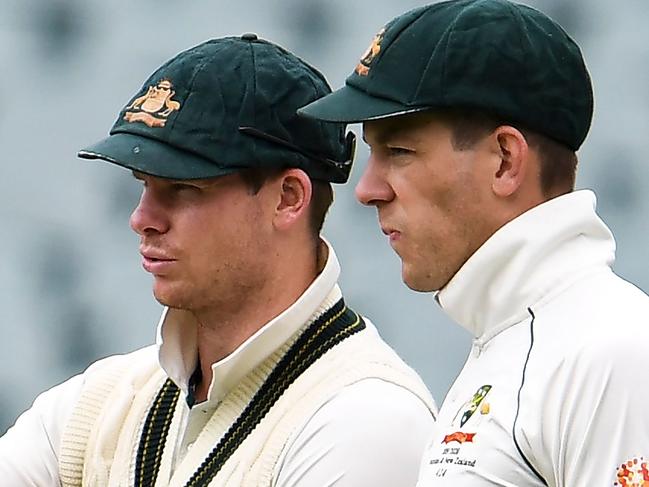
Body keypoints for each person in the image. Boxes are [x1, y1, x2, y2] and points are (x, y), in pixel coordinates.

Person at [0, 35, 437, 486]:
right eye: (143, 184)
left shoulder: (368, 420)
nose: (141, 218)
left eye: (184, 187)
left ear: (289, 198)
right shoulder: (98, 404)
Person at [299, 0, 649, 485]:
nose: (366, 189)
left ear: (505, 161)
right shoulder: (515, 343)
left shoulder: (612, 354)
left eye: (398, 151)